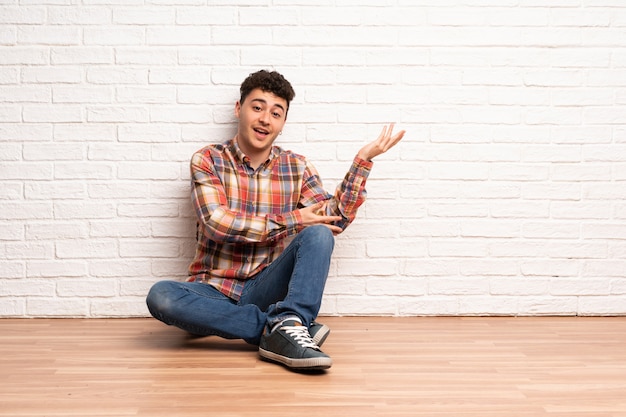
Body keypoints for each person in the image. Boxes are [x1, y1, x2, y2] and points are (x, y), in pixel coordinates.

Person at [146, 69, 405, 372]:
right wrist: (295, 219)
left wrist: (362, 162)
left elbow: (334, 219)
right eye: (257, 107)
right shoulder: (207, 160)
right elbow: (217, 223)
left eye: (276, 113)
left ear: (282, 124)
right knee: (161, 297)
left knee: (319, 233)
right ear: (238, 109)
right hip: (211, 292)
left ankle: (286, 321)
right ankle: (285, 325)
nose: (265, 119)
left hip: (263, 288)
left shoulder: (296, 166)